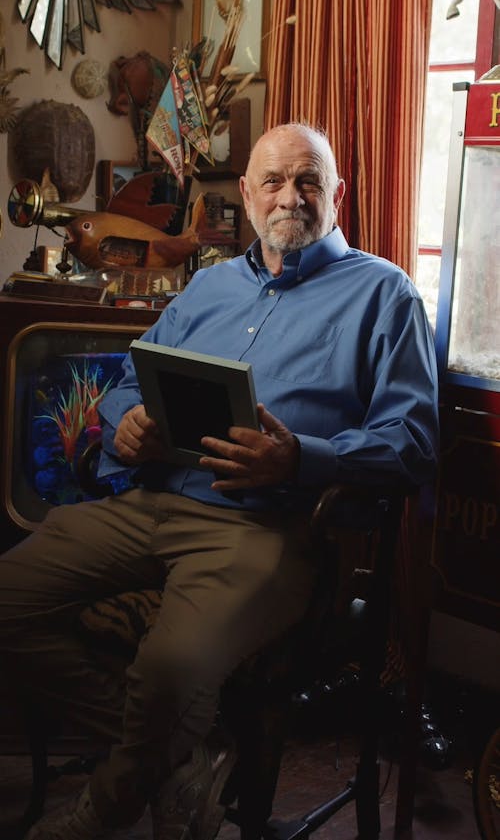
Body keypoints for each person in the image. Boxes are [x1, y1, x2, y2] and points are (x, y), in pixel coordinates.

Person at [0, 123, 439, 840]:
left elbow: (413, 443)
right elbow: (124, 384)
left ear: (338, 195)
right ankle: (175, 753)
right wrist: (125, 424)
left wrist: (301, 458)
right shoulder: (209, 286)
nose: (289, 196)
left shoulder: (384, 294)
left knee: (170, 670)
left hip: (266, 528)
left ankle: (93, 816)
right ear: (246, 193)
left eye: (308, 181)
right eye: (273, 180)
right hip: (147, 501)